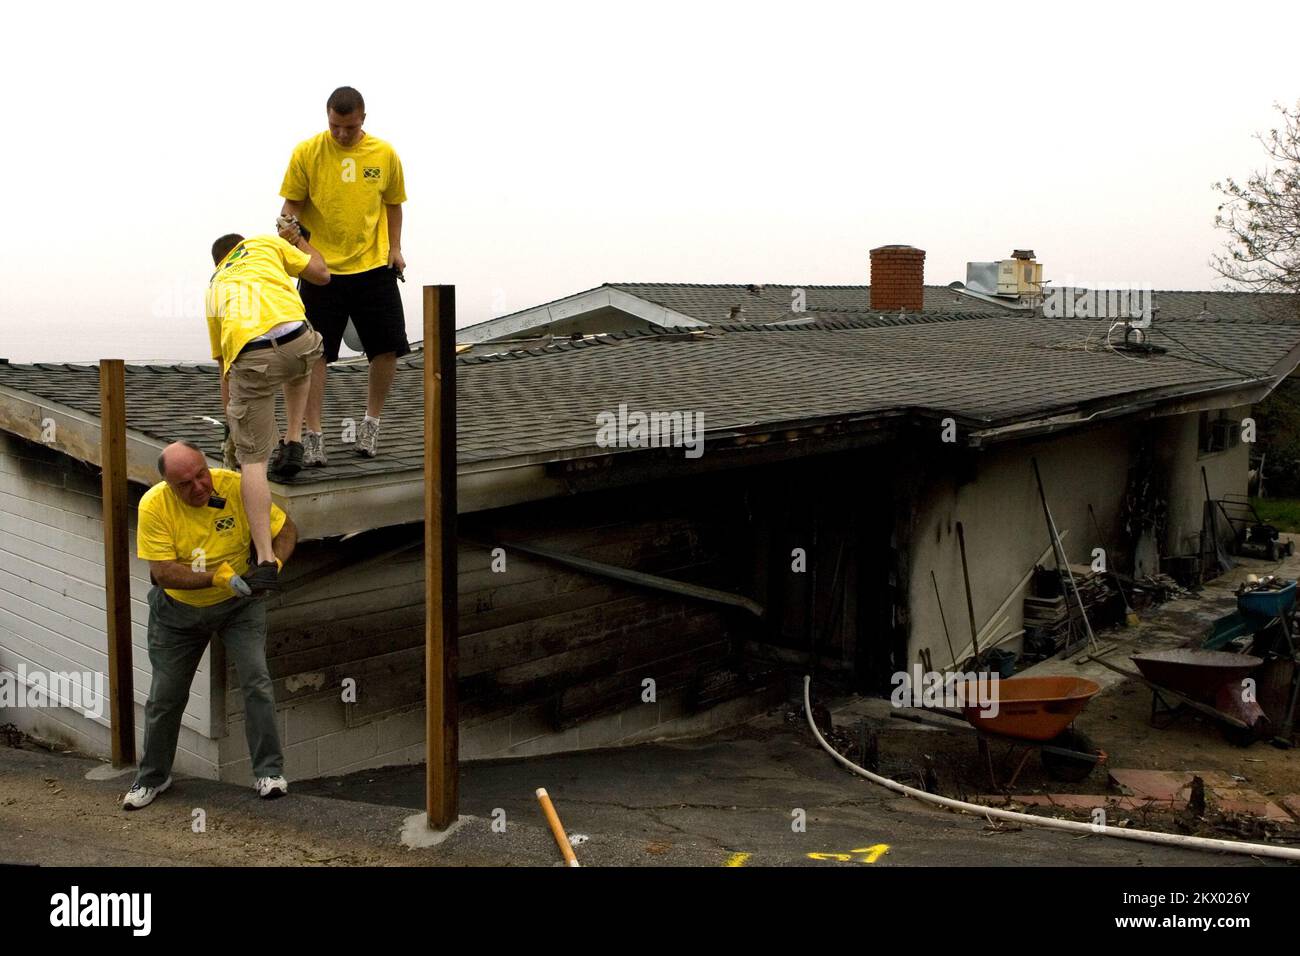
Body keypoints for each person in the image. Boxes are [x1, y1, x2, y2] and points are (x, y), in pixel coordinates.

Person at [123, 442, 298, 809]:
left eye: (201, 474)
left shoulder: (235, 486)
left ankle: (269, 772)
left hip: (239, 607)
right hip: (178, 614)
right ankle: (153, 777)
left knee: (257, 682)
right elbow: (162, 571)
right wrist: (216, 576)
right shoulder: (154, 505)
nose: (200, 487)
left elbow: (286, 531)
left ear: (207, 465)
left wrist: (272, 566)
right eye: (185, 483)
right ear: (170, 486)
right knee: (166, 695)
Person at [278, 85, 409, 461]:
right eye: (335, 126)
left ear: (362, 120)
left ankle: (371, 424)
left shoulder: (384, 153)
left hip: (373, 266)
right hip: (321, 269)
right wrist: (290, 231)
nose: (341, 134)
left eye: (349, 127)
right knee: (315, 353)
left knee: (386, 348)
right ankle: (314, 435)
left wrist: (395, 248)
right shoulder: (308, 152)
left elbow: (394, 205)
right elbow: (291, 206)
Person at [207, 229, 327, 592]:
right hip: (299, 339)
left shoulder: (214, 287)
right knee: (300, 362)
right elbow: (322, 274)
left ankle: (263, 559)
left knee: (253, 462)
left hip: (251, 354)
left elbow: (224, 365)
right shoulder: (263, 244)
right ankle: (293, 439)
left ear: (219, 262)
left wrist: (233, 422)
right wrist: (300, 241)